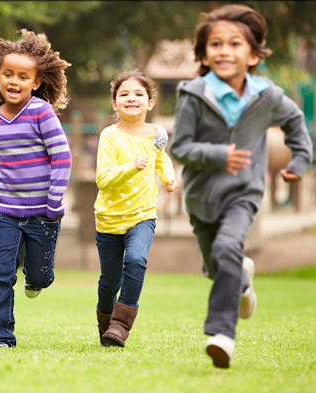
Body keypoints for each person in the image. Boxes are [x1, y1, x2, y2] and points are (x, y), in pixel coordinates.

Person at [170, 4, 313, 368]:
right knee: (216, 264)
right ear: (203, 53)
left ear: (252, 55)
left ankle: (222, 334)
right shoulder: (194, 94)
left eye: (235, 44)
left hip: (243, 193)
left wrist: (299, 162)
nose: (224, 51)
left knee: (227, 246)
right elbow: (181, 147)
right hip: (201, 197)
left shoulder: (267, 97)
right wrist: (219, 155)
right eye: (215, 44)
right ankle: (243, 284)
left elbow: (297, 125)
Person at [0, 29, 72, 348]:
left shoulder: (41, 112)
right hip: (6, 213)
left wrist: (54, 201)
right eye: (8, 74)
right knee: (0, 276)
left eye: (23, 76)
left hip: (43, 213)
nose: (15, 81)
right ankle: (1, 337)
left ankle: (35, 272)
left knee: (39, 277)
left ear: (36, 82)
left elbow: (62, 157)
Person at [94, 70, 178, 348]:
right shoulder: (110, 136)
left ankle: (120, 325)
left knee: (136, 261)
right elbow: (103, 179)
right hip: (108, 219)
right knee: (109, 281)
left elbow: (161, 159)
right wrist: (131, 167)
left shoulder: (158, 133)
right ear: (115, 103)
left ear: (150, 103)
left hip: (142, 215)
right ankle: (105, 322)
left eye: (139, 94)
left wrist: (168, 177)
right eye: (124, 94)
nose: (132, 98)